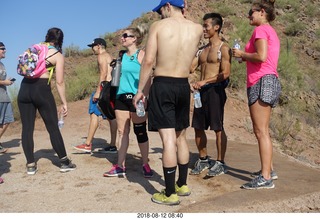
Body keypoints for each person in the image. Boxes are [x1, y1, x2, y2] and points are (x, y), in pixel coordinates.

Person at [133, 0, 203, 205]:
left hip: (163, 84)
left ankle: (170, 193)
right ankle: (182, 184)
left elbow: (148, 61)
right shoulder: (197, 29)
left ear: (167, 7)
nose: (160, 15)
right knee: (181, 137)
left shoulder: (159, 27)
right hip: (183, 85)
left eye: (160, 11)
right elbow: (191, 60)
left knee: (168, 140)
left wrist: (140, 91)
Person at [233, 0, 281, 189]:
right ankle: (268, 169)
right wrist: (245, 56)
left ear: (262, 12)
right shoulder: (270, 30)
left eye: (251, 12)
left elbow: (261, 56)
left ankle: (266, 177)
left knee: (260, 131)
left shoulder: (260, 30)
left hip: (261, 81)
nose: (248, 15)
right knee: (263, 131)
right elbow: (263, 57)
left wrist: (242, 54)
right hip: (267, 79)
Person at [17, 27, 76, 174]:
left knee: (27, 129)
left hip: (24, 89)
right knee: (52, 128)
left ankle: (30, 164)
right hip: (42, 90)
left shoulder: (34, 48)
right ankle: (64, 162)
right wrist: (64, 102)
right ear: (60, 40)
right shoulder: (57, 55)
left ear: (47, 36)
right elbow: (60, 82)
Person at [103, 25, 154, 178]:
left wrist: (144, 96)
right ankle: (120, 165)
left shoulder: (142, 55)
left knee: (140, 131)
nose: (122, 38)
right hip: (121, 98)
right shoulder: (120, 56)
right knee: (122, 131)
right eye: (122, 36)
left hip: (137, 98)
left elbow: (148, 78)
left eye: (126, 36)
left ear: (135, 39)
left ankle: (145, 163)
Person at [189, 13, 231, 177]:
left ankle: (220, 162)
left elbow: (226, 73)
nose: (204, 28)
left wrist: (205, 82)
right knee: (198, 127)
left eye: (206, 25)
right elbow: (190, 68)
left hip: (215, 90)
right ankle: (203, 159)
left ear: (216, 27)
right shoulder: (202, 50)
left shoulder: (224, 49)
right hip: (201, 92)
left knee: (217, 127)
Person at [74, 38, 117, 153]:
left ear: (99, 46)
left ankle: (88, 144)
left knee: (94, 113)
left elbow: (103, 73)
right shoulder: (110, 56)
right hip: (111, 88)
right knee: (111, 117)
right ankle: (112, 145)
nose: (92, 49)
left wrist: (98, 91)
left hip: (103, 88)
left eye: (93, 46)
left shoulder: (101, 56)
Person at [0, 42, 15, 154]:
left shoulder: (2, 65)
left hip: (4, 96)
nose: (5, 50)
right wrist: (4, 82)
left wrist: (7, 81)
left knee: (7, 120)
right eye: (2, 48)